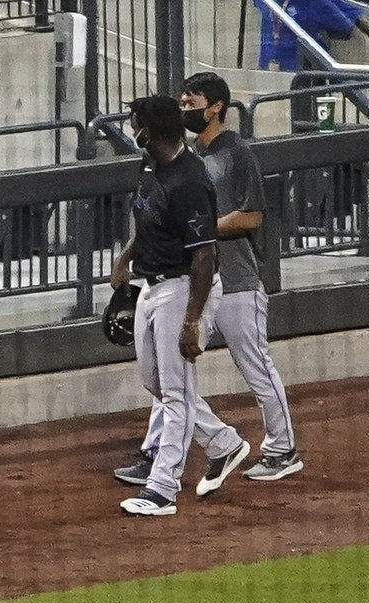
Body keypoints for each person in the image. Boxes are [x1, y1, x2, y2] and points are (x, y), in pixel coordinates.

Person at [111, 94, 241, 517]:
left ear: (150, 131)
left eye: (135, 124)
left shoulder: (190, 182)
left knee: (177, 391)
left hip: (184, 287)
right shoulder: (151, 165)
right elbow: (148, 218)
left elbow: (204, 255)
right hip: (151, 285)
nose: (132, 130)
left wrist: (192, 320)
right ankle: (222, 442)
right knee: (157, 383)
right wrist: (125, 257)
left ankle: (163, 488)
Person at [184, 72, 302, 483]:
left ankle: (283, 448)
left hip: (237, 280)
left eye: (192, 101)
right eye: (182, 102)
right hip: (195, 284)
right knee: (169, 371)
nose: (186, 108)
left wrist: (199, 229)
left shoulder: (237, 153)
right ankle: (190, 447)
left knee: (256, 368)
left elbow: (251, 216)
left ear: (215, 106)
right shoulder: (187, 156)